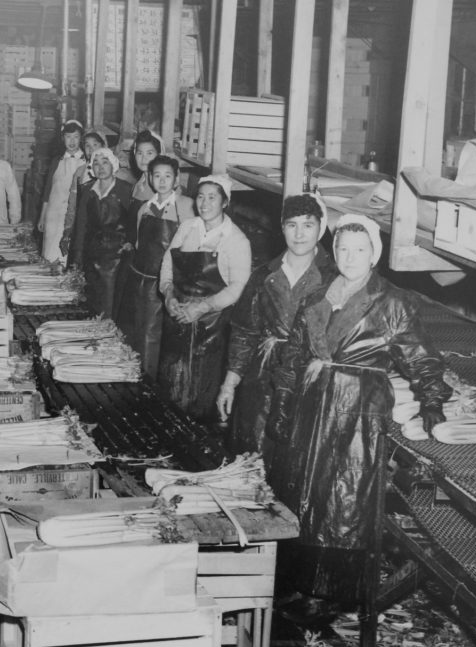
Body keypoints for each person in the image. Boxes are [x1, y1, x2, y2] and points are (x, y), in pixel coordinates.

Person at [268, 214, 451, 609]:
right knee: (304, 493)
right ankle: (301, 581)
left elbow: (420, 357)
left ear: (375, 255)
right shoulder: (316, 297)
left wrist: (432, 401)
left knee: (343, 501)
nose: (350, 258)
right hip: (311, 404)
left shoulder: (393, 302)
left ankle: (332, 592)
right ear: (334, 252)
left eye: (360, 250)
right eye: (343, 249)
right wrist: (282, 404)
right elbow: (294, 356)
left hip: (356, 411)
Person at [216, 194, 336, 460]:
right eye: (292, 225)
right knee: (252, 454)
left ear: (321, 228)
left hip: (310, 378)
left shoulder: (334, 279)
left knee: (296, 458)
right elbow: (244, 333)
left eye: (308, 225)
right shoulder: (263, 276)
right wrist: (229, 383)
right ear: (282, 228)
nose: (300, 234)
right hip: (262, 375)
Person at [157, 174, 252, 419]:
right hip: (177, 315)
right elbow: (168, 261)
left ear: (224, 202)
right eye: (200, 196)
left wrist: (203, 307)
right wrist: (168, 294)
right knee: (170, 384)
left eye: (212, 197)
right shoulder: (188, 227)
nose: (205, 203)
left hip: (212, 327)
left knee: (201, 392)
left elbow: (237, 287)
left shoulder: (237, 240)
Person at [113, 155, 195, 380]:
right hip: (142, 281)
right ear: (149, 178)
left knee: (161, 340)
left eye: (167, 176)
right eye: (157, 175)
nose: (162, 180)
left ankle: (152, 384)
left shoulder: (186, 207)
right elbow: (140, 245)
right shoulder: (144, 209)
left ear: (176, 179)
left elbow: (191, 249)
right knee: (138, 334)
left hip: (169, 285)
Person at [69, 147, 134, 318]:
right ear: (91, 168)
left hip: (116, 259)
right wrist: (77, 257)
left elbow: (134, 223)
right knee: (92, 303)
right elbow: (81, 225)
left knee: (111, 306)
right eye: (96, 163)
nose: (101, 167)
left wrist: (128, 244)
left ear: (113, 165)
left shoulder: (126, 190)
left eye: (105, 162)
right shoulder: (87, 190)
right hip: (92, 255)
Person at [37, 120, 85, 263]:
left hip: (72, 216)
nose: (72, 141)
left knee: (68, 256)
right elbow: (47, 192)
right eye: (68, 136)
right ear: (62, 138)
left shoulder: (86, 162)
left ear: (81, 138)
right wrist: (42, 217)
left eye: (75, 136)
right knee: (50, 254)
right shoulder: (56, 161)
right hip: (53, 214)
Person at [60, 128, 108, 256]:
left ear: (103, 146)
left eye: (95, 145)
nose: (91, 149)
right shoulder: (80, 173)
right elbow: (72, 205)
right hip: (84, 230)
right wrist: (67, 231)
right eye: (87, 145)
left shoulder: (113, 172)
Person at [128, 130, 162, 223]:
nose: (144, 158)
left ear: (159, 155)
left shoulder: (162, 187)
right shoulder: (138, 184)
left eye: (149, 153)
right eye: (140, 153)